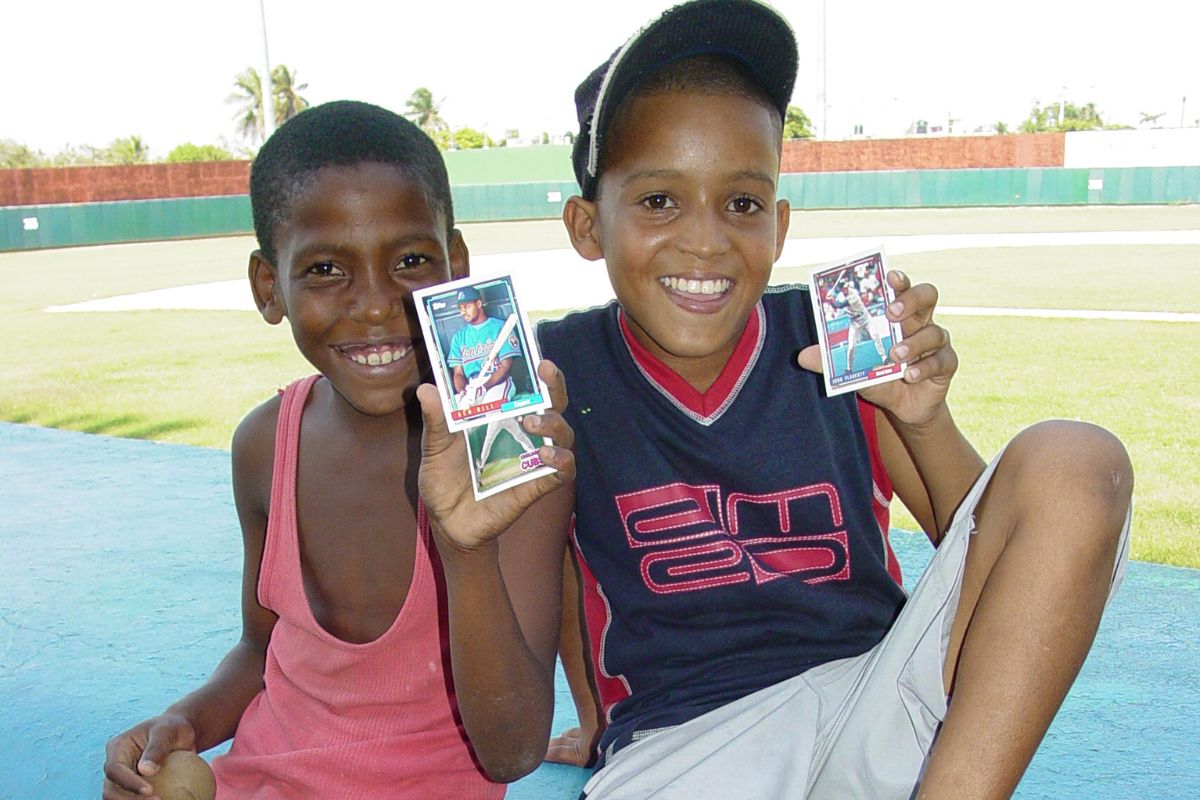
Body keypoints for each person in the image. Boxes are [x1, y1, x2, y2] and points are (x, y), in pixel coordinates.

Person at [538, 1, 1132, 798]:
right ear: (587, 224)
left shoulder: (837, 329)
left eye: (741, 203)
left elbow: (984, 551)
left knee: (1077, 460)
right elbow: (563, 575)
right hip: (688, 742)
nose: (706, 239)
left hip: (875, 694)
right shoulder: (553, 372)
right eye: (658, 201)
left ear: (779, 225)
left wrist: (924, 419)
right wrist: (596, 723)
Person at [102, 100, 576, 800]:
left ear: (458, 265)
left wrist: (466, 549)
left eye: (411, 260)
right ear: (271, 288)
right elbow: (263, 653)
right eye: (326, 269)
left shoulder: (508, 450)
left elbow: (512, 750)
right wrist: (185, 722)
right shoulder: (265, 444)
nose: (378, 303)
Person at [449, 286, 520, 410]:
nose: (463, 312)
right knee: (453, 410)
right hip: (471, 385)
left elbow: (506, 366)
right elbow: (458, 373)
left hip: (497, 382)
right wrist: (463, 392)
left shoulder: (500, 327)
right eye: (460, 308)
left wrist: (484, 387)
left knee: (492, 409)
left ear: (479, 304)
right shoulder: (458, 338)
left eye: (467, 307)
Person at [828, 275, 889, 373]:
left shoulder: (853, 294)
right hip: (854, 322)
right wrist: (830, 300)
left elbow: (840, 305)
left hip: (865, 318)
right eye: (843, 288)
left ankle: (884, 357)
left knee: (875, 335)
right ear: (841, 289)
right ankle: (849, 368)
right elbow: (836, 305)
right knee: (851, 346)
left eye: (846, 287)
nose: (845, 289)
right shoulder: (840, 296)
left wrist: (831, 300)